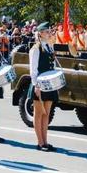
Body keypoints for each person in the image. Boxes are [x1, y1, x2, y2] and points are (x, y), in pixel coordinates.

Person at [29, 22, 58, 152]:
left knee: (47, 113)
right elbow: (33, 69)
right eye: (46, 31)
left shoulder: (49, 47)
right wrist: (36, 85)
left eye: (49, 31)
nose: (49, 33)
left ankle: (45, 141)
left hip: (49, 84)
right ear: (40, 33)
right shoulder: (36, 48)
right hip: (40, 85)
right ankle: (40, 142)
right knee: (39, 113)